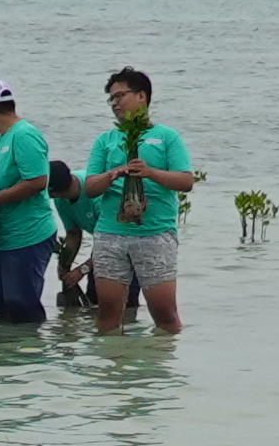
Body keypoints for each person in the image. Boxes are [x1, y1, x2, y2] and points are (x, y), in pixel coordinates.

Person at [79, 66, 196, 334]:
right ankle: (113, 366)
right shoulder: (105, 140)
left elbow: (186, 181)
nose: (115, 104)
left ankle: (160, 368)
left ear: (142, 96)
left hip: (155, 233)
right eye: (112, 99)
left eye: (120, 96)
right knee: (108, 313)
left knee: (165, 315)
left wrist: (150, 173)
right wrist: (112, 174)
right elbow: (90, 187)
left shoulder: (166, 137)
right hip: (111, 232)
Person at [0, 78, 62, 327]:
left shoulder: (24, 135)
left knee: (21, 303)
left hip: (27, 234)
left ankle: (31, 355)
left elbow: (38, 180)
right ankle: (7, 359)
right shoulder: (0, 138)